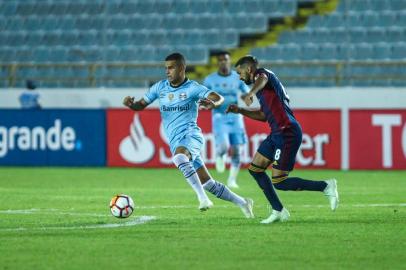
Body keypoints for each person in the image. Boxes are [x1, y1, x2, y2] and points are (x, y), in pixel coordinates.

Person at [123, 52, 254, 218]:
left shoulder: (193, 88)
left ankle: (203, 199)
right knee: (208, 183)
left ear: (182, 68)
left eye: (171, 68)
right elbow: (140, 105)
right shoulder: (159, 87)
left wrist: (213, 103)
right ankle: (243, 202)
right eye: (166, 68)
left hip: (191, 136)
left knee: (179, 158)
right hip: (176, 141)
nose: (167, 71)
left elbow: (218, 97)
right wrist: (131, 104)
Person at [226, 55, 339, 224]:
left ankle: (325, 186)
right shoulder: (264, 89)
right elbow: (264, 115)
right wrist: (241, 111)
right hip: (276, 133)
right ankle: (278, 210)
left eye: (240, 72)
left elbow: (262, 79)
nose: (240, 77)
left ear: (249, 69)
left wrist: (250, 93)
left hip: (287, 133)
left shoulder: (262, 75)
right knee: (255, 169)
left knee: (279, 181)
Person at [203, 51, 249, 189]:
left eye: (226, 60)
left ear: (229, 61)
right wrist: (206, 103)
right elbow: (204, 95)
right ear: (218, 63)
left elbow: (246, 91)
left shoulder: (237, 77)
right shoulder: (210, 79)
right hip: (219, 115)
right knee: (224, 146)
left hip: (235, 116)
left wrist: (246, 97)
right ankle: (220, 154)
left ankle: (232, 180)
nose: (223, 62)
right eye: (221, 60)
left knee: (236, 149)